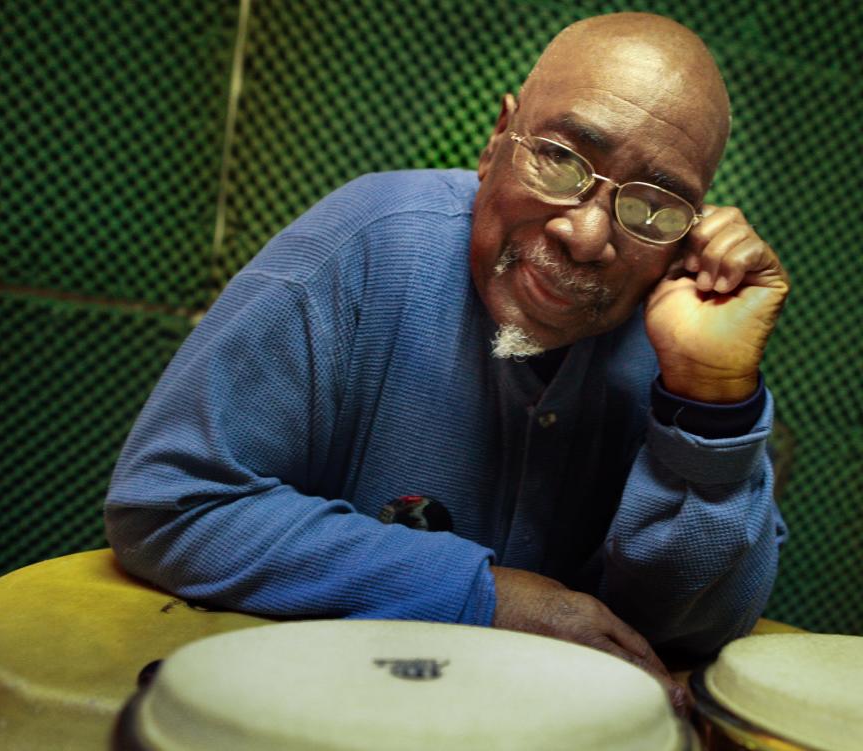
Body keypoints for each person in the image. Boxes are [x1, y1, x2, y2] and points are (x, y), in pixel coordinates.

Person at [105, 12, 788, 705]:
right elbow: (170, 503)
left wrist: (711, 400)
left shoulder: (678, 333)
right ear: (497, 139)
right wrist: (481, 596)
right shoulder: (364, 245)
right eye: (558, 157)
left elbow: (694, 632)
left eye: (654, 205)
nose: (586, 235)